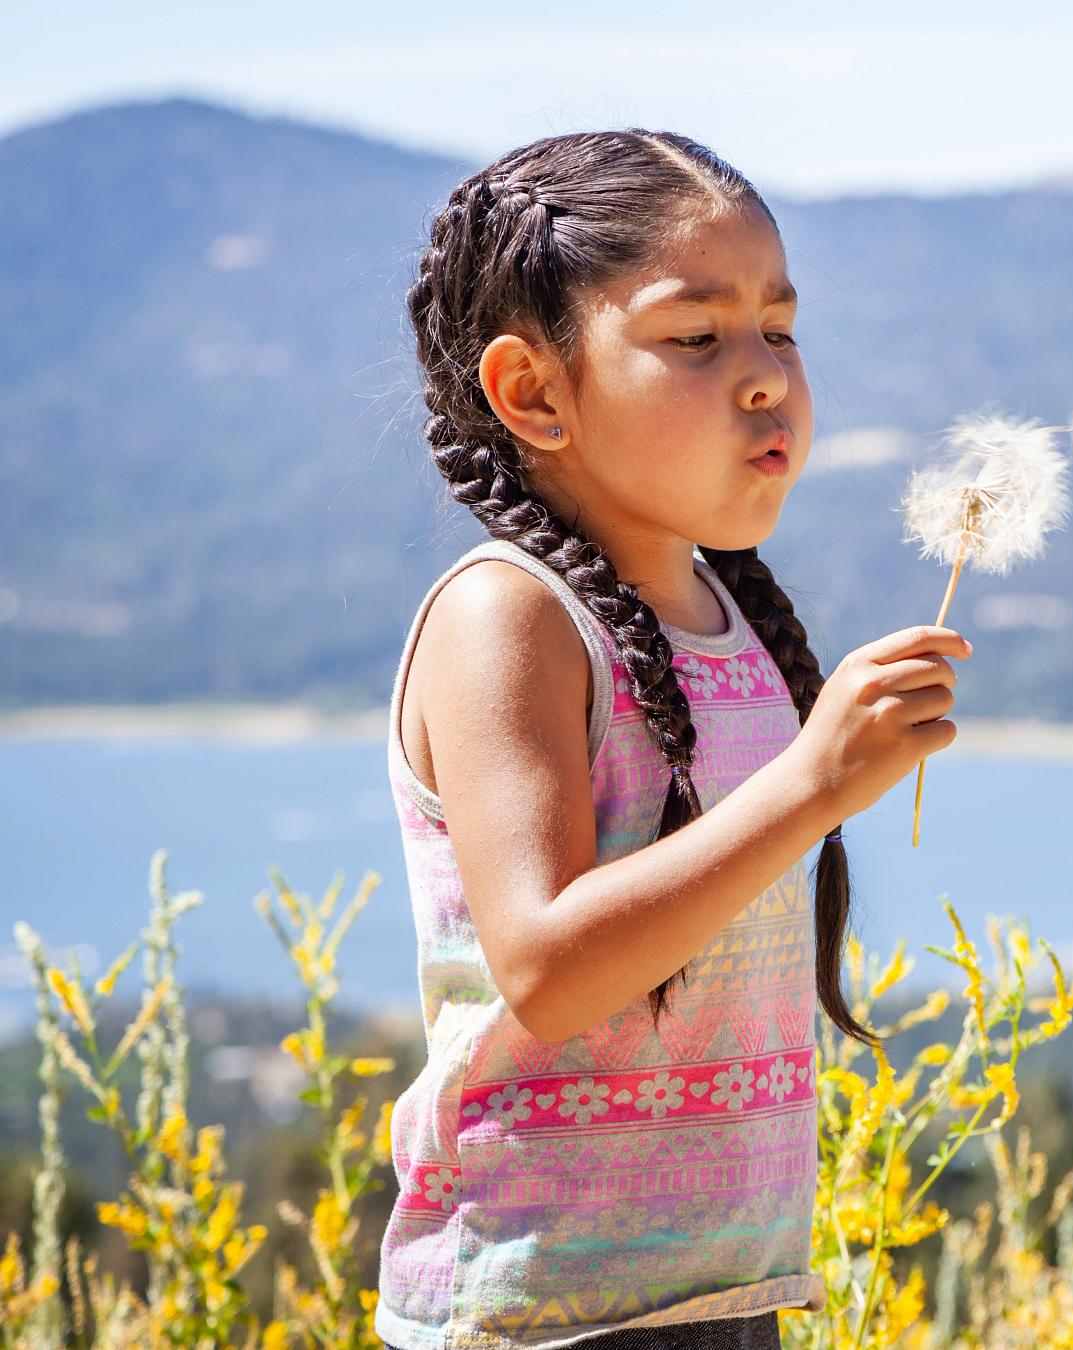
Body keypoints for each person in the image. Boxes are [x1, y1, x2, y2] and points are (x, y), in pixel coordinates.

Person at [375, 128, 968, 1349]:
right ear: (532, 393)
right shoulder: (511, 617)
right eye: (696, 338)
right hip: (535, 1312)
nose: (765, 378)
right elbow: (547, 970)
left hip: (729, 1297)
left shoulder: (729, 613)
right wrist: (811, 787)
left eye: (781, 330)